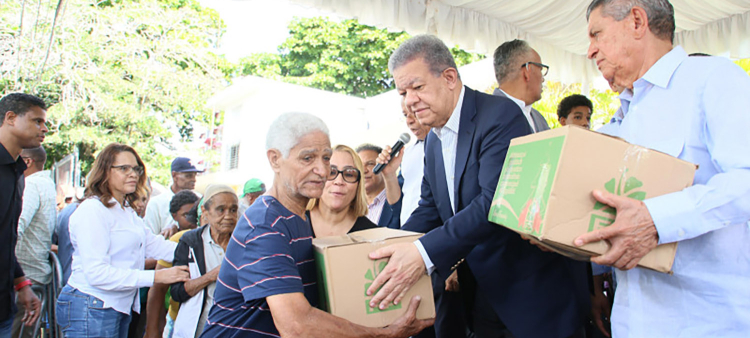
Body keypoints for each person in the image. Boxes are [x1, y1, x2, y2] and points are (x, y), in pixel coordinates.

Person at [367, 35, 591, 338]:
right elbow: (430, 209)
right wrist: (383, 247)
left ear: (449, 78)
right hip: (481, 300)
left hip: (532, 299)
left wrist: (421, 253)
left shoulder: (499, 115)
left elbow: (494, 203)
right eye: (402, 92)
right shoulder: (433, 139)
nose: (409, 100)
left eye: (417, 87)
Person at [572, 0, 750, 336]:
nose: (590, 51)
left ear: (636, 21)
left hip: (707, 321)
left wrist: (657, 220)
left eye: (597, 34)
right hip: (634, 320)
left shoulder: (714, 79)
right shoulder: (624, 114)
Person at [200, 112, 432, 337]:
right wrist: (386, 334)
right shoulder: (265, 224)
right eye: (307, 158)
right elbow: (297, 326)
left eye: (326, 158)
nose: (322, 171)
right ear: (275, 159)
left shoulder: (296, 217)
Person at [56, 143, 191, 338]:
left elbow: (154, 245)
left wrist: (201, 251)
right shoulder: (93, 210)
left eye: (136, 168)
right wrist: (156, 277)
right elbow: (97, 273)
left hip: (117, 305)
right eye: (124, 168)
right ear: (105, 172)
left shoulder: (125, 210)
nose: (133, 174)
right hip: (92, 305)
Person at [378, 101, 469, 338]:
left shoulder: (449, 146)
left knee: (445, 325)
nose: (410, 120)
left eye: (414, 113)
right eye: (405, 115)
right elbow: (400, 204)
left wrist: (455, 260)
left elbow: (455, 209)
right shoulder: (411, 153)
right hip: (411, 244)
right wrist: (389, 175)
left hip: (440, 248)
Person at [0, 93, 45, 338]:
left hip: (5, 307)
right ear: (10, 118)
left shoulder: (17, 171)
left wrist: (21, 283)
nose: (44, 128)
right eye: (36, 121)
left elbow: (6, 237)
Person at [169, 184, 237, 338]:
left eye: (233, 210)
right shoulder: (190, 242)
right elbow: (177, 293)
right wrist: (211, 276)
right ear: (205, 212)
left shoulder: (243, 242)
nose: (228, 216)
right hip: (197, 329)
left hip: (233, 328)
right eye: (221, 209)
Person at [144, 190, 200, 338]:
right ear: (174, 216)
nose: (192, 220)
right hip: (177, 318)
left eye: (195, 214)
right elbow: (158, 289)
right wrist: (152, 328)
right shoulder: (176, 239)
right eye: (186, 215)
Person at [12, 146, 55, 338]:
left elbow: (16, 229)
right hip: (31, 276)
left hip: (24, 278)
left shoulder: (32, 185)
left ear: (27, 162)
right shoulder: (45, 184)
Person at [307, 145, 377, 237]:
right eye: (331, 172)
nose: (339, 181)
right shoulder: (291, 222)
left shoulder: (372, 235)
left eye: (349, 174)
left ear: (358, 184)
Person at [492, 39, 550, 133]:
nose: (542, 79)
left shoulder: (538, 118)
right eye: (540, 69)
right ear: (527, 71)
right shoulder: (488, 116)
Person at [145, 157, 203, 236]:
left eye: (195, 175)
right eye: (188, 176)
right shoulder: (157, 203)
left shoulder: (200, 200)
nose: (194, 179)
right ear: (174, 175)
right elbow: (150, 236)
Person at [356, 144, 401, 229]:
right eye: (359, 165)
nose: (364, 170)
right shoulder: (350, 206)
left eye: (370, 164)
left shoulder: (399, 200)